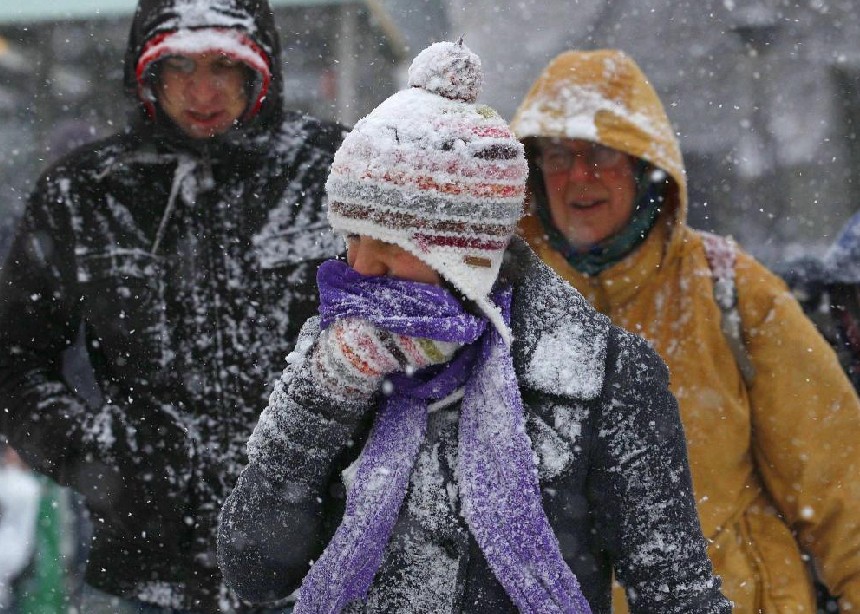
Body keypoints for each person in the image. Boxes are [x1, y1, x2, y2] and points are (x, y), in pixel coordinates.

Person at [216, 41, 731, 614]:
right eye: (353, 235)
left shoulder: (604, 378)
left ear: (462, 252)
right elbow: (254, 569)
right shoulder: (335, 352)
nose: (361, 266)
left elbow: (677, 593)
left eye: (390, 241)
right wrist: (324, 400)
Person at [0, 0, 345, 610]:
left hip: (325, 563)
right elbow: (15, 360)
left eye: (223, 65)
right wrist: (94, 451)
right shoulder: (85, 193)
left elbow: (416, 319)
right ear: (146, 72)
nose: (202, 90)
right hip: (145, 571)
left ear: (259, 69)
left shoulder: (334, 173)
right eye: (179, 66)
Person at [509, 48, 860, 612]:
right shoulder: (502, 303)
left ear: (642, 163)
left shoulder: (731, 291)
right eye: (556, 154)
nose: (578, 176)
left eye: (600, 153)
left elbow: (841, 482)